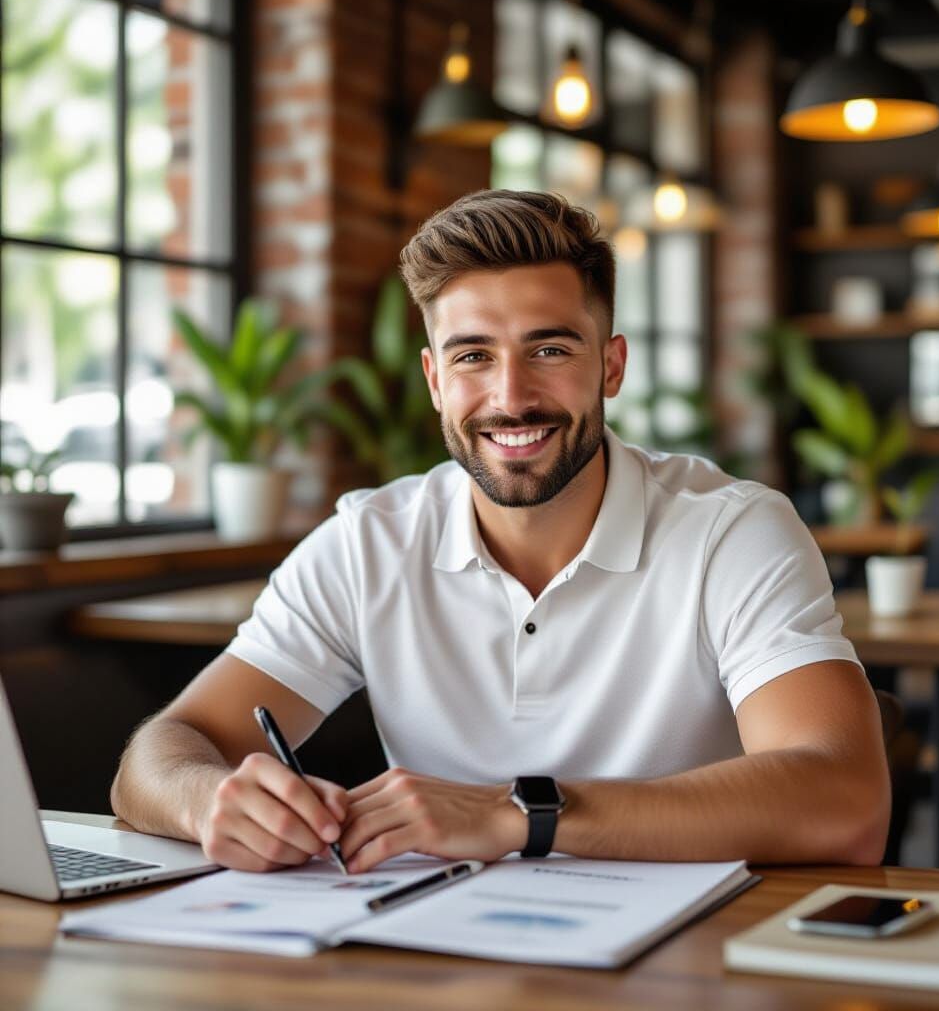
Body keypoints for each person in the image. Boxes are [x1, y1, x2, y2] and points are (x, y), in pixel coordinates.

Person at [111, 190, 890, 874]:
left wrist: (520, 815)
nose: (511, 398)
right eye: (473, 356)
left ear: (611, 367)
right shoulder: (368, 543)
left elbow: (846, 801)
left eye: (549, 349)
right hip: (439, 959)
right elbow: (160, 755)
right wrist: (210, 800)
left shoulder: (733, 530)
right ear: (434, 380)